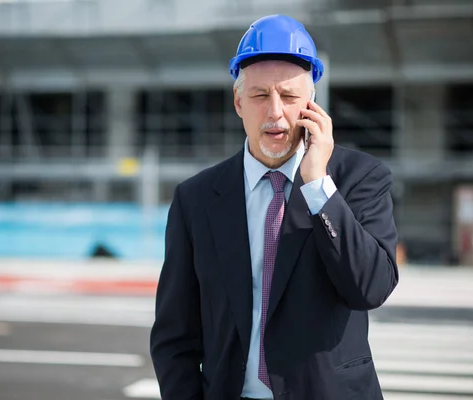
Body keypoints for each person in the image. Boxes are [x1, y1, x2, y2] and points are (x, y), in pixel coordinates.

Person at [150, 14, 399, 400]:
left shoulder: (360, 179)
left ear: (311, 103)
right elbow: (174, 335)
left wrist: (319, 186)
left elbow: (371, 288)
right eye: (260, 95)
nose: (275, 112)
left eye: (289, 96)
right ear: (238, 102)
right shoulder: (195, 199)